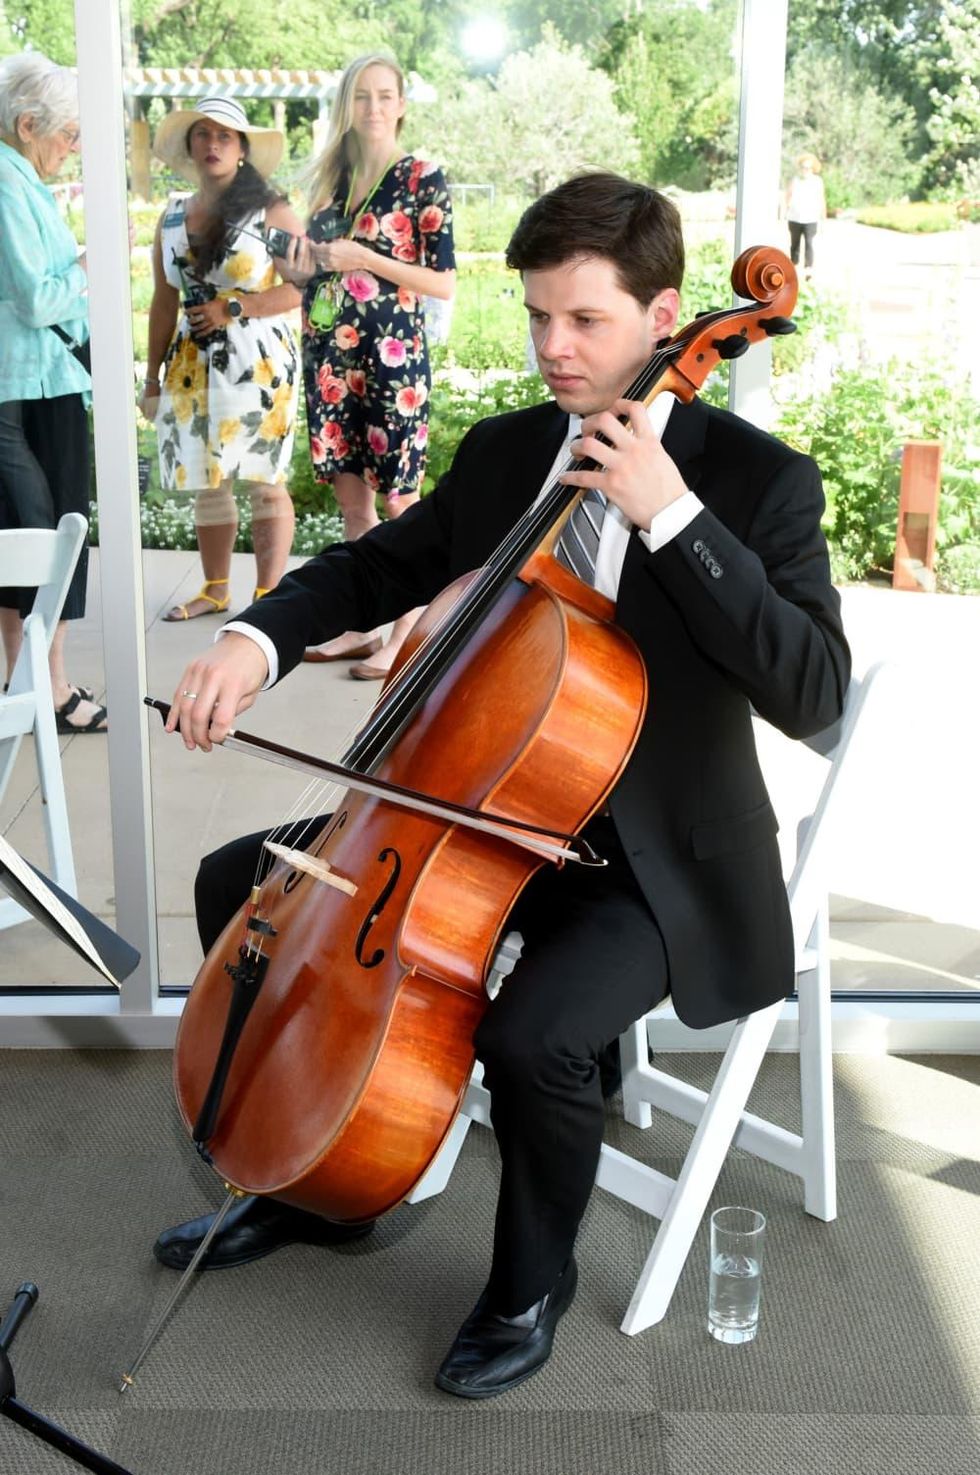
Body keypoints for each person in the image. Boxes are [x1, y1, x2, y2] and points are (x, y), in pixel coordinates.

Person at [154, 172, 851, 1399]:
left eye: (583, 319)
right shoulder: (510, 451)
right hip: (457, 815)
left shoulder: (754, 482)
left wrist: (671, 514)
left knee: (536, 1034)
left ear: (665, 314)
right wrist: (252, 641)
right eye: (536, 316)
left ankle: (528, 1281)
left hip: (646, 862)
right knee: (238, 882)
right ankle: (311, 1174)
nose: (552, 348)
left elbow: (814, 693)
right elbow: (373, 564)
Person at [285, 51, 455, 678]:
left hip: (392, 359)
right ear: (346, 106)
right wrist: (297, 262)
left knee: (399, 501)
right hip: (331, 353)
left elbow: (442, 283)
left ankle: (406, 638)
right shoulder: (328, 182)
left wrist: (365, 256)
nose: (374, 108)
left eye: (385, 96)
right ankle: (365, 624)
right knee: (353, 502)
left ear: (402, 105)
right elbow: (309, 271)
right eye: (362, 97)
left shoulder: (421, 178)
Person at [141, 97, 303, 622]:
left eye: (225, 136)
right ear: (189, 147)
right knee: (206, 478)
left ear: (242, 150)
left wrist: (235, 305)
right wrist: (151, 377)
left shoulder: (270, 211)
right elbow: (164, 302)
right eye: (203, 134)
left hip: (257, 361)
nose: (212, 144)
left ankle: (269, 597)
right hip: (191, 362)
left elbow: (303, 287)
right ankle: (215, 589)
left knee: (263, 476)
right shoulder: (170, 218)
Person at [0, 52, 106, 731]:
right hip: (28, 386)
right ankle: (47, 688)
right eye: (69, 133)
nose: (75, 147)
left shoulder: (23, 180)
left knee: (39, 533)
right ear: (28, 122)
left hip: (45, 381)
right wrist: (91, 266)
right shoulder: (8, 184)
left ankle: (33, 683)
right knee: (46, 534)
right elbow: (38, 298)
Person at [785, 152, 826, 278]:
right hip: (795, 218)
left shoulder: (817, 181)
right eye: (803, 167)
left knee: (809, 243)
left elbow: (821, 199)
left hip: (810, 218)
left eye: (807, 167)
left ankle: (809, 268)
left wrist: (823, 217)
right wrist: (786, 210)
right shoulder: (795, 180)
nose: (805, 170)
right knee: (794, 244)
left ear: (812, 168)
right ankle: (794, 266)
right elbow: (788, 195)